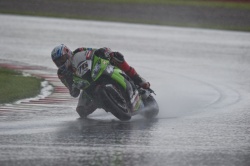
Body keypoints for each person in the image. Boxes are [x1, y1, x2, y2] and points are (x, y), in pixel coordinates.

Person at [51, 44, 150, 118]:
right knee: (81, 111)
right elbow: (74, 93)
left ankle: (138, 80)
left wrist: (104, 52)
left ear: (68, 53)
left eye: (62, 59)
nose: (61, 62)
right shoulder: (62, 74)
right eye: (58, 62)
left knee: (116, 56)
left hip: (95, 73)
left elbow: (95, 51)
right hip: (87, 87)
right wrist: (70, 81)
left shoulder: (79, 52)